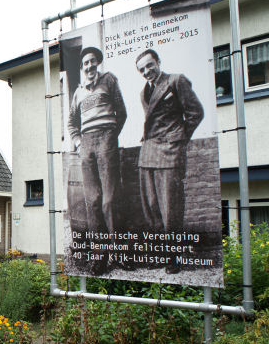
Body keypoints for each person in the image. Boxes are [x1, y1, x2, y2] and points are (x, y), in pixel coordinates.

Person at [135, 49, 204, 273]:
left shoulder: (176, 81)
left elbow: (195, 112)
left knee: (170, 209)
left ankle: (173, 257)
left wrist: (178, 139)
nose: (147, 71)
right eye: (142, 69)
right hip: (148, 153)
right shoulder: (143, 92)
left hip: (169, 151)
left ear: (158, 62)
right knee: (152, 208)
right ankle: (160, 254)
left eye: (149, 65)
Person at [67, 46, 127, 236]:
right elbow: (71, 122)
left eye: (93, 61)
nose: (89, 66)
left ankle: (120, 252)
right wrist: (78, 143)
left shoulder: (108, 80)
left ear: (98, 62)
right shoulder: (78, 93)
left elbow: (122, 113)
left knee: (110, 198)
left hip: (106, 139)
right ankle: (99, 255)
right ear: (82, 68)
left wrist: (110, 136)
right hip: (87, 144)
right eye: (86, 63)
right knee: (93, 199)